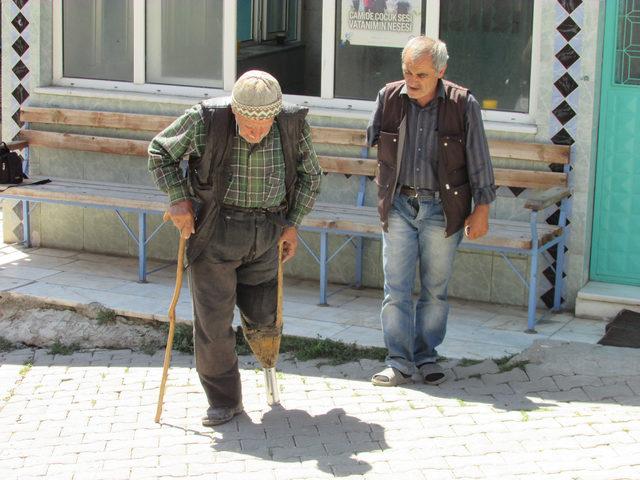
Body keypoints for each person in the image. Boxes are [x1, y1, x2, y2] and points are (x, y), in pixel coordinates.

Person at [148, 70, 322, 425]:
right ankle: (224, 400)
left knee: (265, 319)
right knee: (213, 322)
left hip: (268, 232)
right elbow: (160, 152)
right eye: (247, 124)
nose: (255, 134)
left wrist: (292, 225)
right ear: (234, 110)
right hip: (215, 230)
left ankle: (269, 369)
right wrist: (179, 199)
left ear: (275, 114)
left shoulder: (291, 124)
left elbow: (311, 176)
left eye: (263, 127)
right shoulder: (206, 119)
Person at [367, 36, 496, 386]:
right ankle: (397, 361)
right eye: (407, 71)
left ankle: (426, 357)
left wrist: (482, 207)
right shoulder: (388, 97)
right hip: (398, 206)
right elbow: (375, 142)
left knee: (435, 290)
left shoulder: (462, 104)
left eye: (421, 74)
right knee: (395, 288)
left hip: (442, 208)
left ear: (441, 71)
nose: (412, 80)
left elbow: (479, 158)